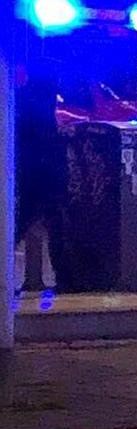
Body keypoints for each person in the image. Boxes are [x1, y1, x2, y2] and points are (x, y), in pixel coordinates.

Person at [12, 68, 64, 294]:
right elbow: (48, 142)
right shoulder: (43, 110)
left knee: (28, 223)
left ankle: (33, 278)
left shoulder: (24, 102)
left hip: (28, 172)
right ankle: (41, 278)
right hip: (43, 173)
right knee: (40, 223)